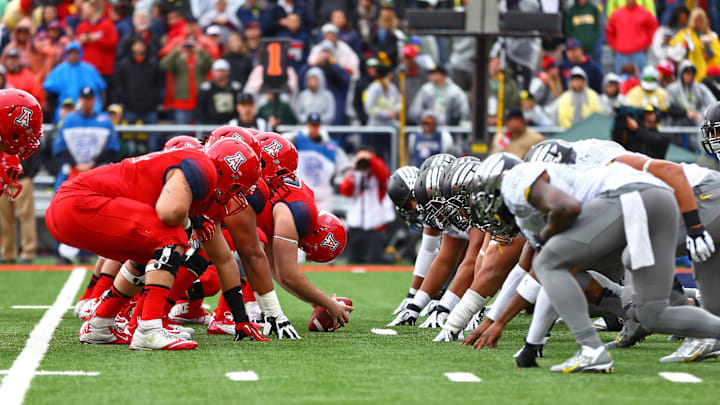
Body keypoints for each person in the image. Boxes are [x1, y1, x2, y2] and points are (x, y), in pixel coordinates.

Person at [48, 139, 265, 349]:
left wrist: (240, 319)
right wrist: (192, 223)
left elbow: (224, 260)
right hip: (79, 202)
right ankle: (149, 329)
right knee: (172, 236)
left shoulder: (208, 196)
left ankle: (101, 324)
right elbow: (169, 212)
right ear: (223, 171)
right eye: (238, 188)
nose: (238, 197)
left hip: (70, 208)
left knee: (148, 252)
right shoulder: (202, 169)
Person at [339, 147, 394, 264]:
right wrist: (353, 170)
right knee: (353, 262)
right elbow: (345, 190)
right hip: (356, 226)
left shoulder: (378, 175)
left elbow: (383, 174)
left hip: (374, 226)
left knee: (374, 263)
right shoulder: (356, 174)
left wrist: (370, 160)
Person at [286, 113, 349, 211]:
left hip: (323, 195)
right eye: (311, 125)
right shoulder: (297, 140)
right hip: (303, 192)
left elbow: (344, 166)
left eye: (316, 126)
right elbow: (282, 140)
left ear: (320, 127)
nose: (314, 128)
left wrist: (338, 179)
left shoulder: (330, 146)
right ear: (307, 126)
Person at [43, 41, 106, 122]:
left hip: (89, 107)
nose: (73, 56)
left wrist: (100, 105)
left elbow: (101, 89)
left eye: (75, 53)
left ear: (80, 54)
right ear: (67, 54)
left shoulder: (89, 69)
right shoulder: (60, 70)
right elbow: (50, 91)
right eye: (71, 53)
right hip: (66, 108)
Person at [160, 36, 213, 124]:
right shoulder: (178, 60)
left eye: (192, 44)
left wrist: (201, 51)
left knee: (201, 132)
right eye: (188, 44)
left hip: (200, 101)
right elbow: (164, 65)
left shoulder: (201, 59)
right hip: (182, 103)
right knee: (182, 131)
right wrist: (176, 51)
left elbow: (211, 64)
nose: (190, 47)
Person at [114, 35, 163, 125]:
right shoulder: (124, 64)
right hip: (130, 107)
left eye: (141, 44)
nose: (139, 47)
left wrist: (153, 100)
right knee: (129, 137)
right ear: (132, 46)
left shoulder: (153, 64)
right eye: (136, 44)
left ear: (145, 46)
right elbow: (119, 84)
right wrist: (126, 101)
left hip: (150, 108)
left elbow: (159, 83)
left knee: (152, 135)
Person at [0, 151, 39, 264]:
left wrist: (30, 174)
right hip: (3, 179)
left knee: (26, 216)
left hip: (22, 178)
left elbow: (36, 151)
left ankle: (28, 252)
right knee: (4, 218)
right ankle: (7, 253)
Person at [75, 0, 119, 99]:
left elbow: (113, 43)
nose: (82, 11)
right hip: (85, 71)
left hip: (103, 71)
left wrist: (97, 39)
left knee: (104, 99)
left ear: (93, 9)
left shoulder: (107, 24)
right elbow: (76, 46)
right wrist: (81, 41)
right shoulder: (81, 26)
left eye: (85, 9)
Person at [302, 41, 350, 124]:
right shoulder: (313, 67)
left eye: (327, 52)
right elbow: (302, 79)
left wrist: (328, 64)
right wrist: (313, 65)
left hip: (334, 102)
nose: (325, 55)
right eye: (323, 52)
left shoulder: (336, 68)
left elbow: (343, 83)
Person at [605, 0, 658, 73]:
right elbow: (609, 31)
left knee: (639, 79)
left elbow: (653, 27)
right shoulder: (617, 13)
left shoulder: (644, 13)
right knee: (621, 81)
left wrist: (648, 43)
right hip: (621, 54)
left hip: (638, 53)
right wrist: (612, 45)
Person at [670, 8, 720, 83]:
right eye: (696, 20)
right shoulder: (685, 34)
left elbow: (715, 56)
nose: (699, 23)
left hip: (708, 73)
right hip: (691, 69)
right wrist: (684, 46)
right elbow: (676, 50)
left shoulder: (711, 36)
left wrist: (707, 46)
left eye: (701, 21)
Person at [666, 60, 717, 126]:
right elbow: (669, 108)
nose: (690, 76)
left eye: (692, 73)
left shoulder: (700, 88)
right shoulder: (672, 89)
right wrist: (686, 113)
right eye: (687, 73)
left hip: (696, 125)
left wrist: (701, 113)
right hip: (677, 126)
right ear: (681, 74)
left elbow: (712, 103)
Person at [195, 59, 242, 125]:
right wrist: (205, 122)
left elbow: (240, 106)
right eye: (218, 70)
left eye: (223, 70)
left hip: (231, 124)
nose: (220, 73)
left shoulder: (235, 87)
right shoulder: (206, 88)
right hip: (210, 124)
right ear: (213, 71)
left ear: (228, 72)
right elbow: (200, 108)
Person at [395, 45, 429, 123]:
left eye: (409, 57)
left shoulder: (424, 73)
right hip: (402, 115)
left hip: (419, 116)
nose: (406, 60)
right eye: (405, 57)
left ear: (414, 57)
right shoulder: (399, 73)